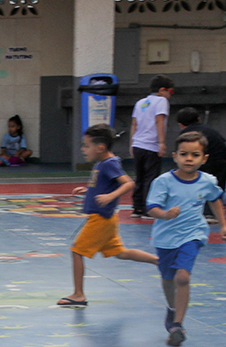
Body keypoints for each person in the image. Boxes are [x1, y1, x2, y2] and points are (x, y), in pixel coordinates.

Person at [145, 130, 226, 347]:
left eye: (195, 155)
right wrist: (165, 214)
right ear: (175, 156)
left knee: (182, 277)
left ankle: (177, 325)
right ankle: (172, 309)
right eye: (184, 154)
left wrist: (223, 225)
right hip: (165, 238)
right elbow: (151, 208)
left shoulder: (207, 181)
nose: (189, 159)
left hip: (193, 235)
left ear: (204, 159)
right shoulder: (163, 181)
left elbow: (215, 201)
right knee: (168, 279)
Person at [56, 124, 157, 307]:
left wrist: (111, 196)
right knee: (121, 253)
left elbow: (128, 183)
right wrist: (88, 190)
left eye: (86, 146)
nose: (83, 149)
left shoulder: (109, 163)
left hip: (100, 219)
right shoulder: (102, 163)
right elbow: (105, 186)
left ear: (100, 147)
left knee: (77, 251)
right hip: (106, 219)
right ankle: (159, 261)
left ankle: (79, 294)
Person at [130, 74, 175, 218]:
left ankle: (137, 208)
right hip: (151, 145)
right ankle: (148, 208)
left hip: (138, 144)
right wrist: (161, 142)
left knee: (140, 177)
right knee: (151, 177)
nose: (170, 95)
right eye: (170, 92)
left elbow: (134, 124)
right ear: (162, 90)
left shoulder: (141, 102)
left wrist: (132, 143)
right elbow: (159, 121)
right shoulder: (161, 101)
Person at [175, 107, 226, 190]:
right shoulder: (211, 130)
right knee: (216, 193)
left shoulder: (186, 135)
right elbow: (225, 149)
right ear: (198, 119)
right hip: (220, 165)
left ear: (181, 125)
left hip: (203, 166)